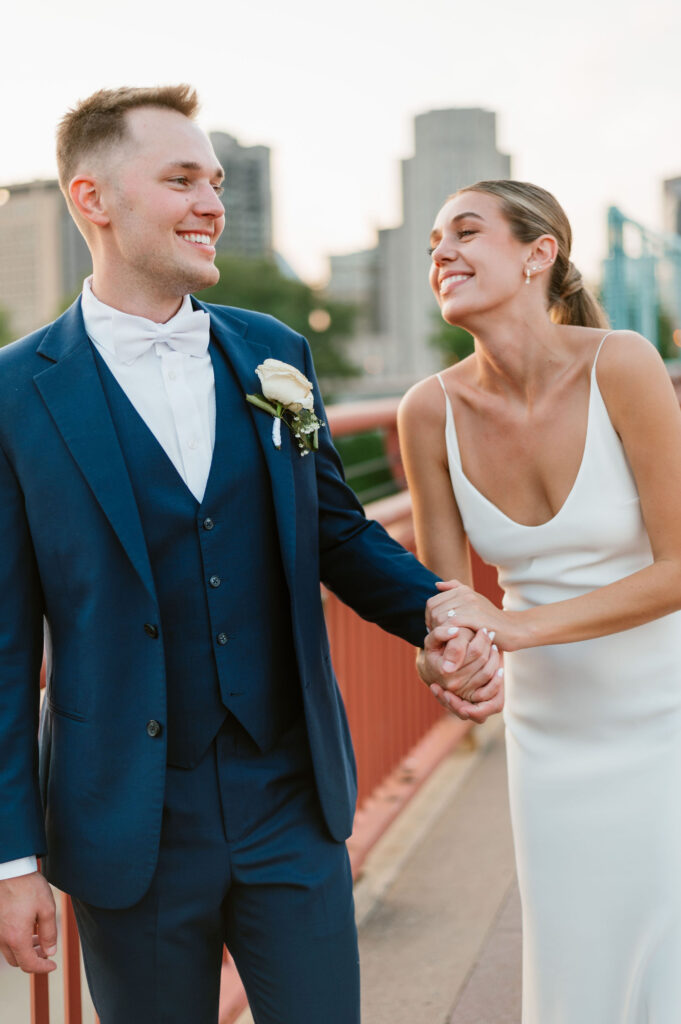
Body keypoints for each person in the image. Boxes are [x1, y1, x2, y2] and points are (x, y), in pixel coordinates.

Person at [0, 86, 502, 1024]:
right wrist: (12, 860)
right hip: (128, 819)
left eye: (217, 182)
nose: (211, 204)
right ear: (92, 199)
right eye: (181, 179)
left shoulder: (272, 351)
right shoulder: (15, 393)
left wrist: (439, 608)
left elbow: (338, 532)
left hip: (289, 798)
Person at [398, 179, 681, 1022]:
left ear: (537, 253)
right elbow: (445, 607)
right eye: (431, 246)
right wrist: (448, 663)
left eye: (465, 231)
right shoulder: (427, 412)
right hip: (549, 739)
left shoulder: (620, 362)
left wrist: (513, 627)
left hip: (666, 715)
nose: (441, 252)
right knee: (575, 971)